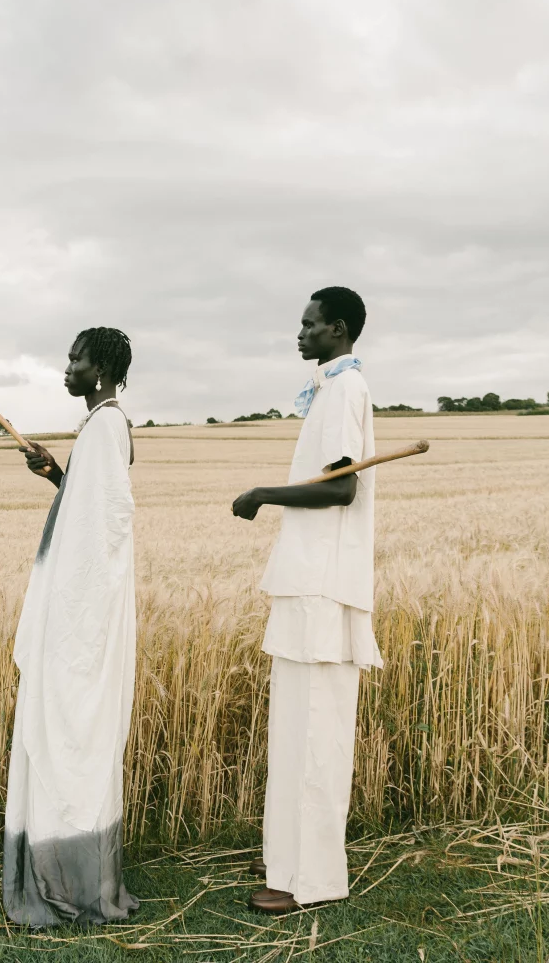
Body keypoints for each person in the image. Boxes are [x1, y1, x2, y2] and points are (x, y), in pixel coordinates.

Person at [232, 287, 382, 914]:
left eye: (309, 324)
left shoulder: (346, 390)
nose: (299, 333)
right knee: (293, 731)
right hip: (303, 581)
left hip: (324, 584)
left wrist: (265, 492)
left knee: (317, 732)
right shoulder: (329, 387)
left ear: (337, 329)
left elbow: (342, 487)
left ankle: (314, 879)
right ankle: (288, 868)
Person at [3, 327, 139, 928]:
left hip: (82, 617)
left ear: (102, 368)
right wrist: (58, 475)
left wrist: (68, 612)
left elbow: (105, 531)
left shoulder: (107, 427)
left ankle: (70, 881)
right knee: (69, 730)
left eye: (76, 359)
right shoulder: (100, 426)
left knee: (71, 729)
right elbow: (88, 510)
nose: (67, 368)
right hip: (80, 610)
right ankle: (70, 870)